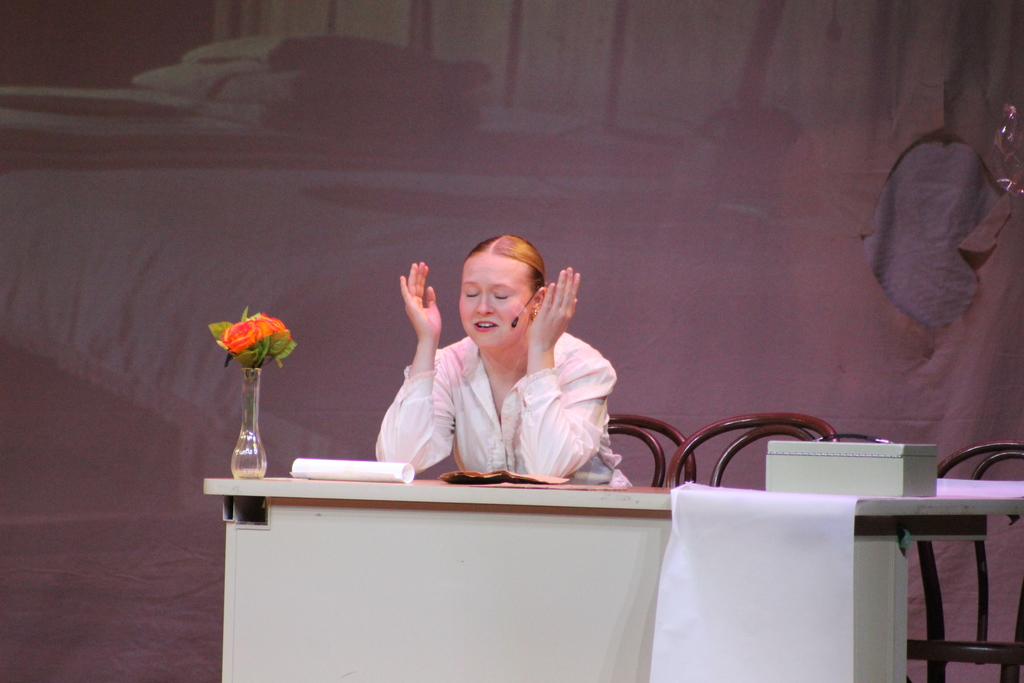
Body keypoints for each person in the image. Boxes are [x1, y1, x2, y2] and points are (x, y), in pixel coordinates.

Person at [376, 235, 626, 485]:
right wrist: (426, 343)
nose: (482, 308)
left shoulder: (582, 366)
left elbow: (548, 468)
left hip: (584, 519)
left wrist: (541, 351)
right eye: (471, 294)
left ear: (537, 301)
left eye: (501, 296)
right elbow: (397, 460)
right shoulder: (450, 364)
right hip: (492, 519)